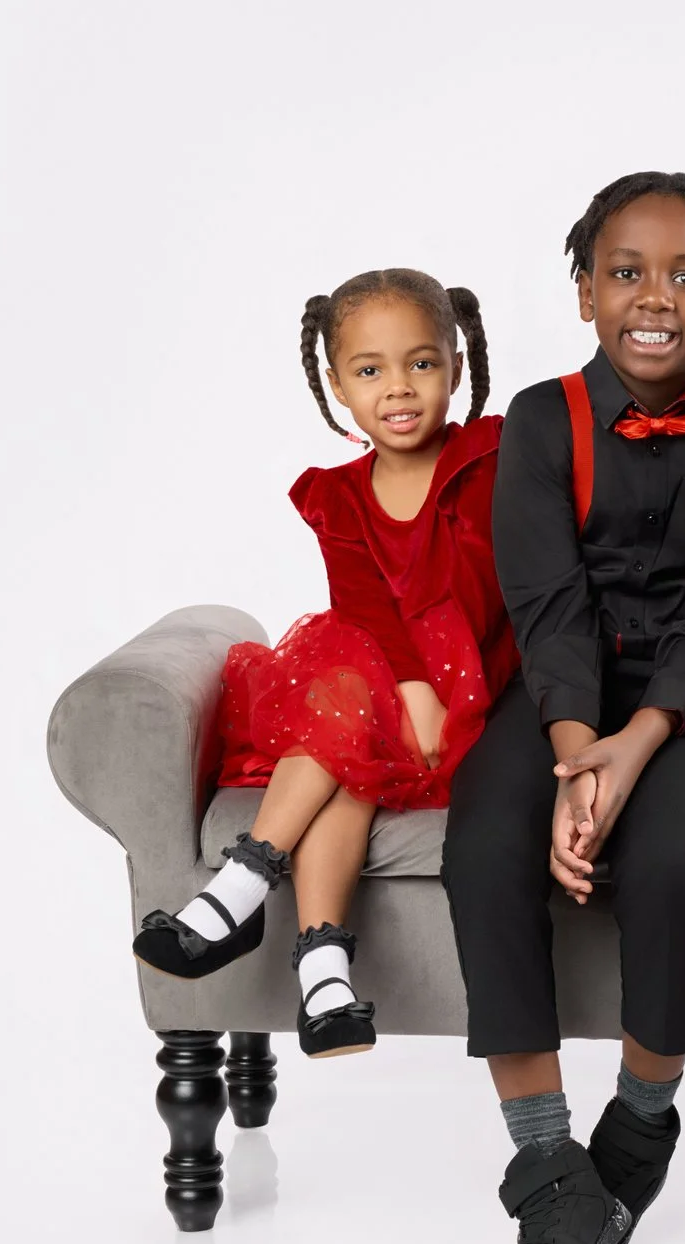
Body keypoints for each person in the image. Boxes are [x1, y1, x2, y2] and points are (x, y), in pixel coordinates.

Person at [440, 172, 685, 1244]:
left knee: (682, 857)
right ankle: (548, 1166)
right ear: (586, 289)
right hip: (564, 693)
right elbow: (542, 598)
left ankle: (639, 1123)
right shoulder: (542, 420)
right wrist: (572, 753)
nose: (657, 296)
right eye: (628, 272)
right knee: (484, 840)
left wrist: (638, 746)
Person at [131, 269, 512, 1063]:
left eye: (422, 363)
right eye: (370, 371)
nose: (398, 389)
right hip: (386, 698)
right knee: (344, 711)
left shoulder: (494, 455)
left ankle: (246, 896)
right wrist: (409, 692)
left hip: (481, 691)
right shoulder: (338, 498)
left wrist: (434, 698)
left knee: (345, 727)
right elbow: (368, 615)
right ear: (337, 385)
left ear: (456, 365)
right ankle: (324, 973)